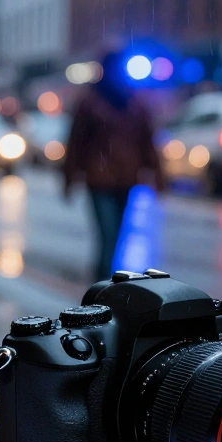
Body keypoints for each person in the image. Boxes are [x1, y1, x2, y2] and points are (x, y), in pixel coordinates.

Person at [62, 51, 162, 281]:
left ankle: (104, 281)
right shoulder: (91, 102)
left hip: (125, 178)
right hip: (100, 180)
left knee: (116, 234)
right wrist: (69, 177)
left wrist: (157, 176)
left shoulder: (133, 101)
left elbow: (147, 142)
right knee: (107, 234)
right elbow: (76, 143)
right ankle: (102, 283)